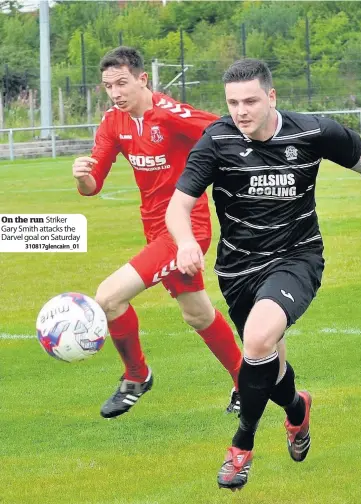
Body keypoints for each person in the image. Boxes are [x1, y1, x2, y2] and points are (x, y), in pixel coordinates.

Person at [165, 58, 361, 490]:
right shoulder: (217, 141)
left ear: (272, 97)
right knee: (268, 363)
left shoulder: (312, 131)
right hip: (237, 268)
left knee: (257, 340)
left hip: (296, 257)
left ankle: (241, 448)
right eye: (233, 102)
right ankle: (297, 409)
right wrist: (185, 242)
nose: (241, 111)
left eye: (251, 101)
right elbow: (179, 204)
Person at [72, 46, 242, 419]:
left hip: (186, 230)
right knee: (197, 314)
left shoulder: (170, 114)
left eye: (122, 83)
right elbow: (93, 185)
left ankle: (136, 376)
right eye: (108, 86)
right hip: (154, 229)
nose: (116, 92)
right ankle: (246, 382)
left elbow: (224, 130)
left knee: (108, 298)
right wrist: (83, 175)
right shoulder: (112, 123)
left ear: (141, 79)